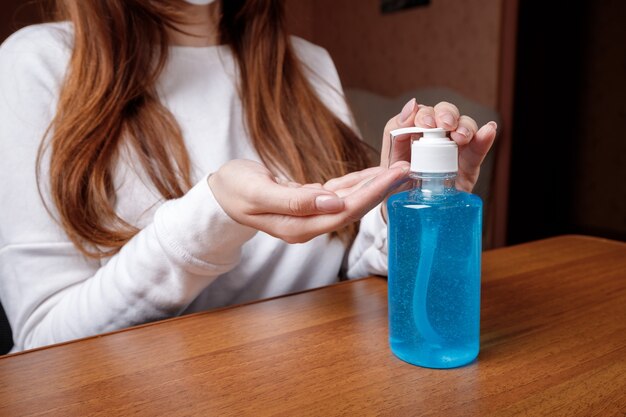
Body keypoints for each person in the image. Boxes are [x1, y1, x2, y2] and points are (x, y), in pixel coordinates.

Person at [0, 0, 496, 353]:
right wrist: (212, 217)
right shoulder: (36, 64)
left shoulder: (308, 63)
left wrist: (404, 213)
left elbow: (345, 272)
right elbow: (41, 344)